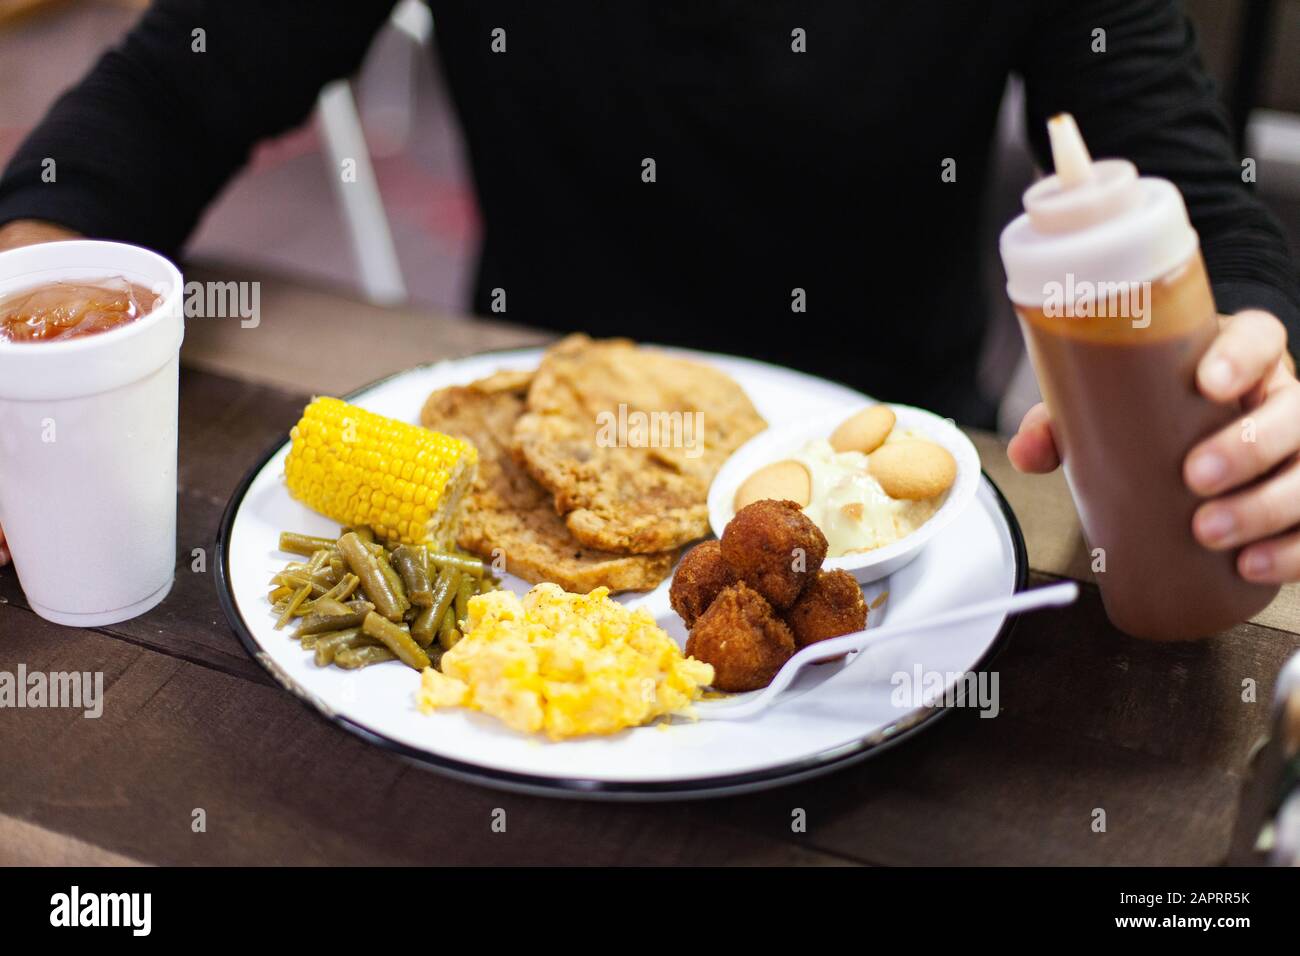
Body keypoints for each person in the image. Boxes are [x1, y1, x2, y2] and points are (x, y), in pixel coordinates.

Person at [1, 1, 1298, 586]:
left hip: (896, 521)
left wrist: (1251, 389)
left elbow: (1209, 203)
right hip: (516, 461)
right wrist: (29, 336)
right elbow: (163, 100)